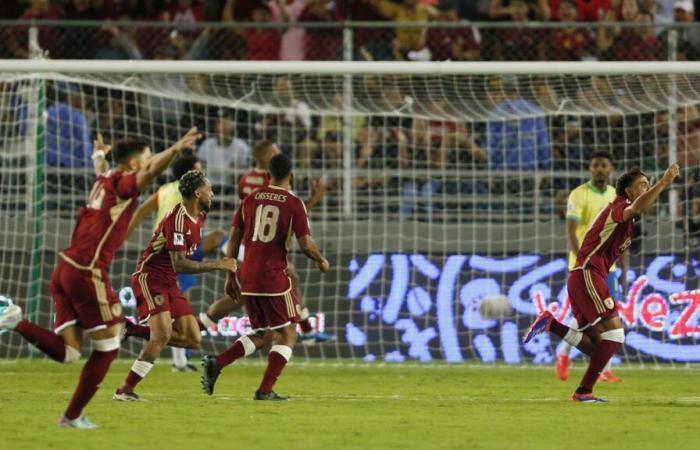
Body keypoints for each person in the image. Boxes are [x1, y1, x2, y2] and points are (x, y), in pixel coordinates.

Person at [0, 128, 201, 428]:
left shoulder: (105, 179)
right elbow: (146, 172)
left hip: (64, 269)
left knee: (69, 351)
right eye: (145, 159)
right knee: (107, 348)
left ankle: (13, 319)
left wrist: (98, 156)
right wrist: (175, 149)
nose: (148, 164)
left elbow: (105, 170)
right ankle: (72, 416)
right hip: (86, 272)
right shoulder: (123, 183)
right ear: (133, 165)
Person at [524, 164, 681, 402]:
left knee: (599, 347)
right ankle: (583, 391)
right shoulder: (619, 207)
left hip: (587, 276)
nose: (647, 188)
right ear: (628, 191)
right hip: (588, 273)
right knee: (616, 335)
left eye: (649, 184)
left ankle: (552, 325)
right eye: (642, 185)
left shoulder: (628, 218)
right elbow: (638, 206)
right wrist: (664, 182)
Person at [201, 153, 330, 400]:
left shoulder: (249, 200)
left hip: (247, 273)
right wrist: (321, 260)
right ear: (291, 175)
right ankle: (265, 390)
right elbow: (305, 244)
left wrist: (231, 274)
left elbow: (234, 238)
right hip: (272, 277)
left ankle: (217, 363)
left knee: (264, 334)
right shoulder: (294, 203)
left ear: (268, 175)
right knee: (288, 333)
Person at [113, 170, 237, 401]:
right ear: (198, 193)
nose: (213, 193)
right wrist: (218, 264)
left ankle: (132, 329)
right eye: (209, 189)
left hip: (169, 281)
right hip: (150, 278)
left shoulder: (199, 216)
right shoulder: (177, 219)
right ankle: (124, 390)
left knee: (193, 338)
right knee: (161, 336)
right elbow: (179, 263)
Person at [556, 151, 627, 383]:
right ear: (590, 169)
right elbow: (570, 231)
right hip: (584, 267)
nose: (599, 169)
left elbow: (621, 236)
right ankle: (565, 354)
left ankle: (601, 368)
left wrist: (624, 270)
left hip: (608, 268)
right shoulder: (579, 194)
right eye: (595, 165)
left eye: (603, 165)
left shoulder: (615, 197)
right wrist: (582, 262)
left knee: (603, 318)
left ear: (611, 169)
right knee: (595, 317)